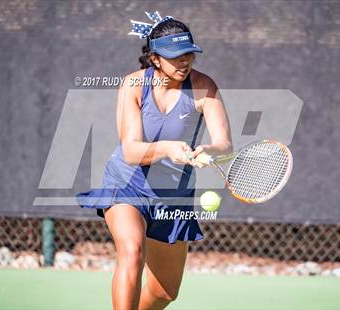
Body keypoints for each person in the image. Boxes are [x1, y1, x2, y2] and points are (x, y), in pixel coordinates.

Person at [77, 11, 232, 310]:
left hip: (174, 196)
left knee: (164, 293)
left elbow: (224, 143)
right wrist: (167, 148)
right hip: (128, 185)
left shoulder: (204, 87)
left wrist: (208, 151)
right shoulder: (133, 85)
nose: (184, 61)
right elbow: (131, 151)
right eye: (175, 56)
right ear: (155, 58)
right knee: (132, 252)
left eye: (189, 53)